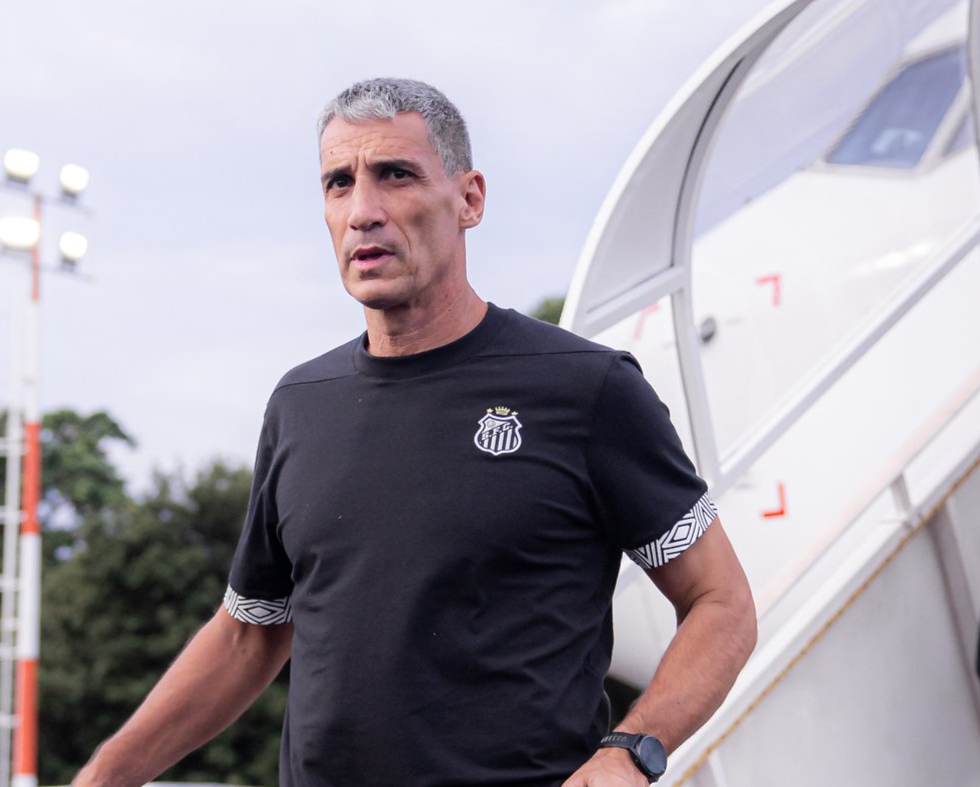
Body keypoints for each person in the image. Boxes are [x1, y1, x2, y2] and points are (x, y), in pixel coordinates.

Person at [74, 77, 756, 787]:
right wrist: (101, 778)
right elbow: (250, 633)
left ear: (469, 199)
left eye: (395, 175)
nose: (362, 212)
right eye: (338, 183)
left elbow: (721, 603)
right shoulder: (300, 404)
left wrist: (630, 750)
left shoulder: (588, 389)